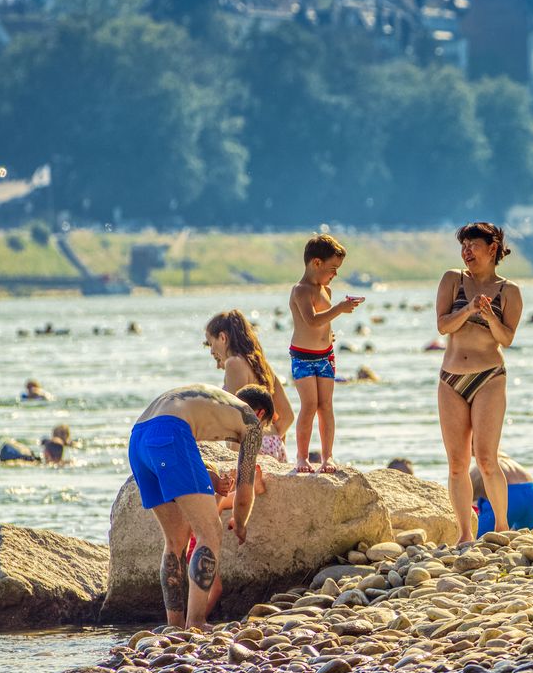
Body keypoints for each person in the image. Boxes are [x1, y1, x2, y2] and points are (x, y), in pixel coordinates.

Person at [127, 383, 273, 628]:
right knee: (210, 533)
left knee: (174, 541)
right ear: (261, 415)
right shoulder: (251, 421)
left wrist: (211, 478)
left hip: (138, 439)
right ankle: (196, 622)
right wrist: (240, 522)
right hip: (170, 433)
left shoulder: (213, 400)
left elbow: (179, 449)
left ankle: (174, 625)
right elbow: (245, 489)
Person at [437, 221, 524, 542]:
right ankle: (464, 534)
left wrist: (488, 316)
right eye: (463, 246)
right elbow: (443, 326)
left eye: (473, 245)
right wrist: (469, 309)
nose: (466, 251)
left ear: (493, 248)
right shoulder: (452, 279)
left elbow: (507, 338)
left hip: (489, 377)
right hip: (451, 379)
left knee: (487, 458)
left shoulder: (509, 291)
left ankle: (501, 527)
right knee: (457, 463)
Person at [289, 234, 363, 473]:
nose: (335, 274)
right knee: (309, 405)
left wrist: (329, 335)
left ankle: (327, 456)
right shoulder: (301, 291)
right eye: (333, 268)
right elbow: (311, 321)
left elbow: (323, 325)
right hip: (303, 357)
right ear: (316, 263)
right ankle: (302, 457)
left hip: (325, 356)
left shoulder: (326, 290)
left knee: (326, 406)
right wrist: (340, 309)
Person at [206, 309, 296, 464]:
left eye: (211, 343)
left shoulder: (234, 363)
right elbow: (288, 416)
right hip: (273, 443)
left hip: (249, 446)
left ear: (222, 337)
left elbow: (237, 417)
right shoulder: (261, 365)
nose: (212, 350)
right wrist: (271, 438)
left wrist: (233, 460)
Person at [471, 453, 533, 534]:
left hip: (511, 497)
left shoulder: (484, 466)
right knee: (524, 536)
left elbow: (468, 492)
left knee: (477, 535)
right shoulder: (510, 462)